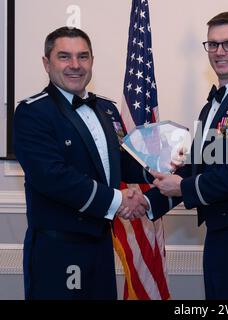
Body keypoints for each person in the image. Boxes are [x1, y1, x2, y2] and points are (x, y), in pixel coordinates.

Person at [145, 12, 228, 299]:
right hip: (222, 234)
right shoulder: (212, 108)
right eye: (213, 44)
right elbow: (196, 166)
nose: (220, 52)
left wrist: (181, 187)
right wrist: (146, 202)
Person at [13, 26, 154, 299]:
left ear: (92, 61)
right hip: (59, 250)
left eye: (83, 56)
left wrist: (165, 168)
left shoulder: (106, 109)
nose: (75, 65)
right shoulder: (33, 112)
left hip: (100, 244)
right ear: (46, 63)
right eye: (64, 57)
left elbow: (121, 162)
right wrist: (118, 200)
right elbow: (53, 177)